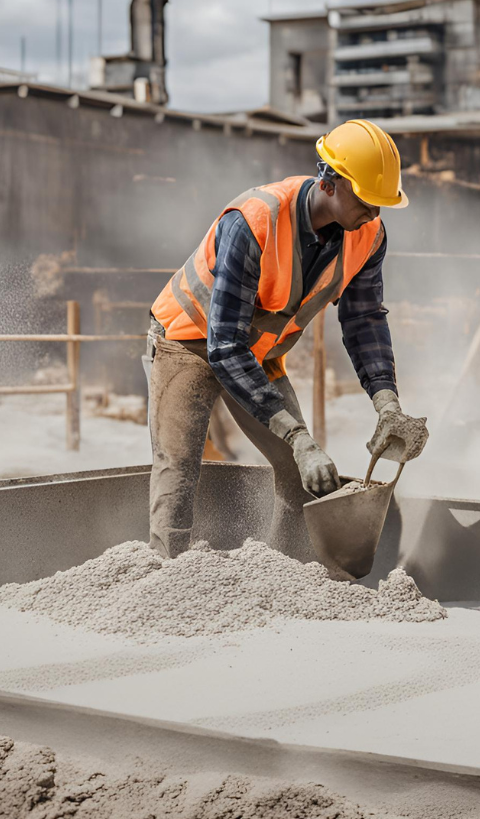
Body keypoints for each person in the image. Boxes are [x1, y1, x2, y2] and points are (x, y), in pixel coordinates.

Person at [146, 118, 427, 560]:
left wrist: (387, 403)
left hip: (255, 354)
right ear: (330, 182)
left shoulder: (368, 235)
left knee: (301, 477)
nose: (375, 213)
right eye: (367, 200)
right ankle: (166, 580)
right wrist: (299, 437)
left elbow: (365, 320)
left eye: (381, 204)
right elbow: (223, 347)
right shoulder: (254, 220)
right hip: (188, 343)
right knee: (178, 470)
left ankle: (281, 576)